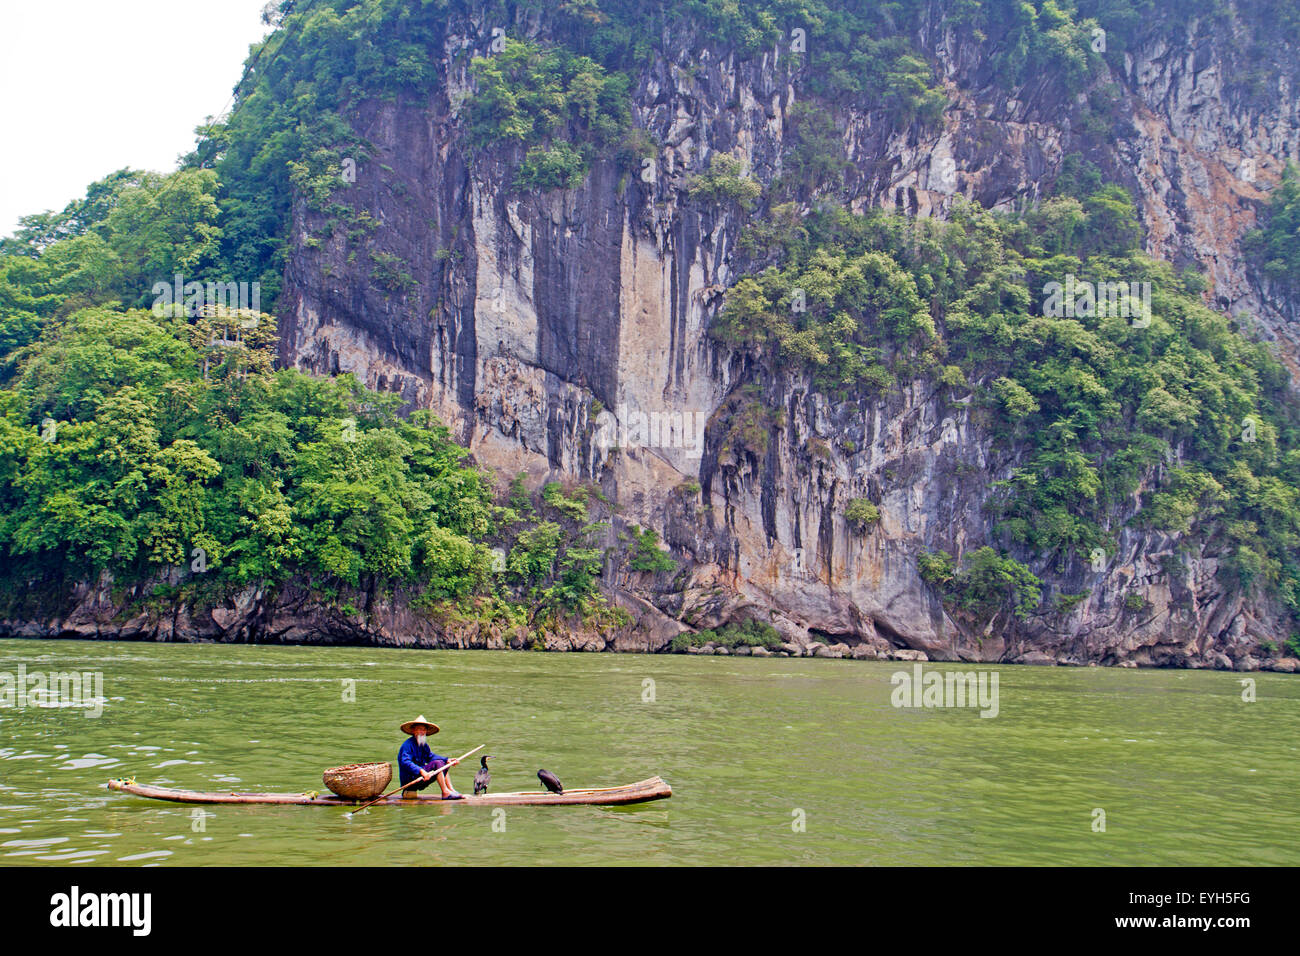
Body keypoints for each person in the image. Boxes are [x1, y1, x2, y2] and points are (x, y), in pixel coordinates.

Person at [396, 715, 463, 799]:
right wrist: (421, 771)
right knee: (437, 763)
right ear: (414, 730)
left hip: (421, 778)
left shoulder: (423, 745)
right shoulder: (407, 745)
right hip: (411, 781)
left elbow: (431, 756)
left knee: (443, 763)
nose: (422, 732)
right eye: (420, 729)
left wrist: (447, 760)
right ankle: (445, 792)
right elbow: (405, 762)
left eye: (424, 729)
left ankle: (451, 790)